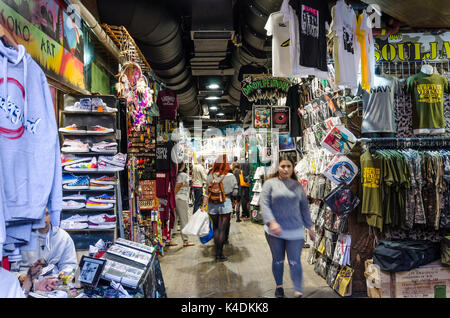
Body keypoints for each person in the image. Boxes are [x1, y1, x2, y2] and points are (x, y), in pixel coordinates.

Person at [259, 155, 315, 298]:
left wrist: (309, 226)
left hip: (295, 230)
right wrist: (271, 222)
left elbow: (304, 207)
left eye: (288, 166)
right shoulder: (269, 184)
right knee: (278, 260)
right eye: (283, 166)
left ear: (292, 168)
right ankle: (279, 286)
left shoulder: (297, 186)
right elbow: (264, 205)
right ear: (277, 167)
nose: (285, 169)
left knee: (295, 261)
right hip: (274, 232)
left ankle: (298, 290)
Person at [18, 211, 77, 277]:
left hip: (53, 282)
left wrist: (63, 275)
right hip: (27, 280)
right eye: (40, 214)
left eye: (46, 214)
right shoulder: (20, 236)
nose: (43, 218)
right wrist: (20, 277)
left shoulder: (63, 237)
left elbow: (69, 265)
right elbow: (11, 269)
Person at [201, 155, 237, 261]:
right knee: (222, 229)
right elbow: (235, 192)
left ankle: (216, 253)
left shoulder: (210, 176)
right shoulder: (231, 176)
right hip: (225, 204)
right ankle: (220, 253)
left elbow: (206, 193)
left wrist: (203, 206)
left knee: (216, 228)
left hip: (212, 205)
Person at [174, 163, 195, 247]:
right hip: (181, 198)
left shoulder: (175, 174)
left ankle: (168, 239)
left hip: (176, 198)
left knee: (174, 219)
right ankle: (185, 241)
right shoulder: (183, 175)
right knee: (184, 220)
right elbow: (179, 185)